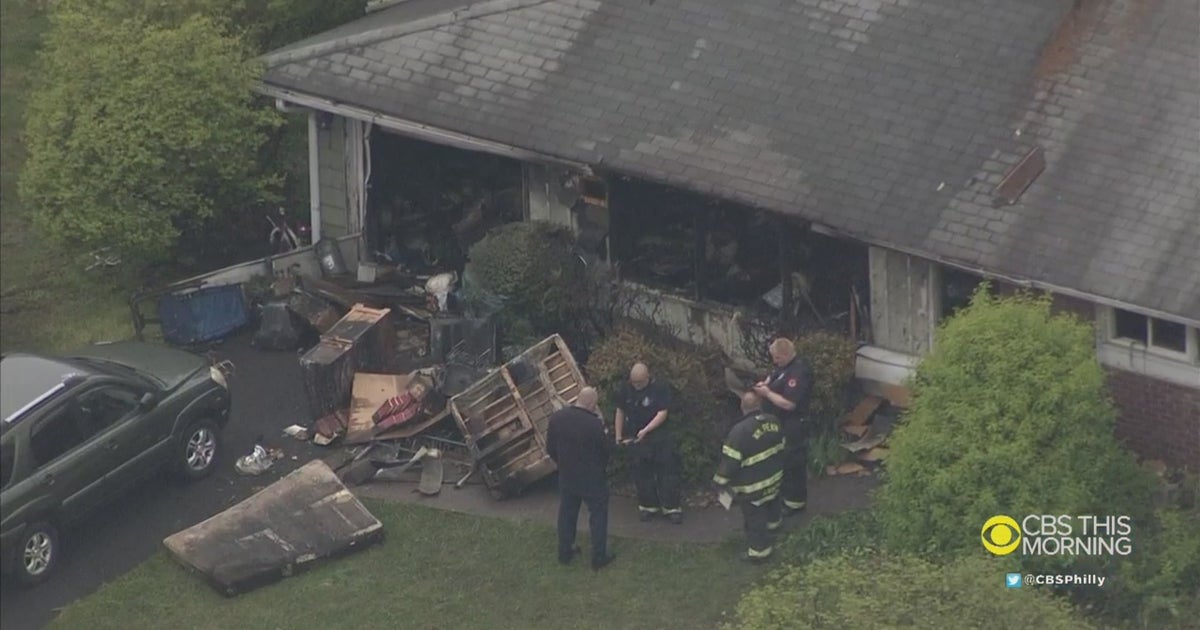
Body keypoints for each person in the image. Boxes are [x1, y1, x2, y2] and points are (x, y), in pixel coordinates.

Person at [546, 386, 617, 571]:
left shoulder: (557, 418)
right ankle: (599, 556)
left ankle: (565, 551)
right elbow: (606, 451)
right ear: (593, 404)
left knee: (567, 512)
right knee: (598, 514)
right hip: (592, 477)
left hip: (567, 474)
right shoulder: (594, 425)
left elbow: (550, 448)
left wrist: (561, 464)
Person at [713, 391, 785, 563]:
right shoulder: (773, 421)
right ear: (759, 405)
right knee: (773, 505)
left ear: (742, 407)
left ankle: (760, 552)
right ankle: (775, 529)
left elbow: (730, 463)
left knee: (754, 519)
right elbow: (782, 447)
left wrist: (718, 482)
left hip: (753, 487)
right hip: (774, 478)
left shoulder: (739, 432)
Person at [752, 337, 814, 516]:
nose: (775, 361)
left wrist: (767, 393)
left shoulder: (799, 372)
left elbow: (789, 404)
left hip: (794, 424)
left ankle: (795, 503)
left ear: (786, 354)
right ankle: (785, 498)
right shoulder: (783, 367)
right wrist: (766, 384)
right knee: (782, 461)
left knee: (793, 462)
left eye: (777, 358)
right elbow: (775, 377)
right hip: (780, 422)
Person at [614, 363, 682, 523]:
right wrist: (618, 435)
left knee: (667, 473)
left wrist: (646, 430)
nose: (636, 386)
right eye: (634, 382)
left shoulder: (659, 387)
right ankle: (648, 507)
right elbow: (620, 411)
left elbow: (662, 412)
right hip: (635, 438)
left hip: (659, 437)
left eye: (639, 382)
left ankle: (671, 508)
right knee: (641, 473)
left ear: (647, 378)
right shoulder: (625, 388)